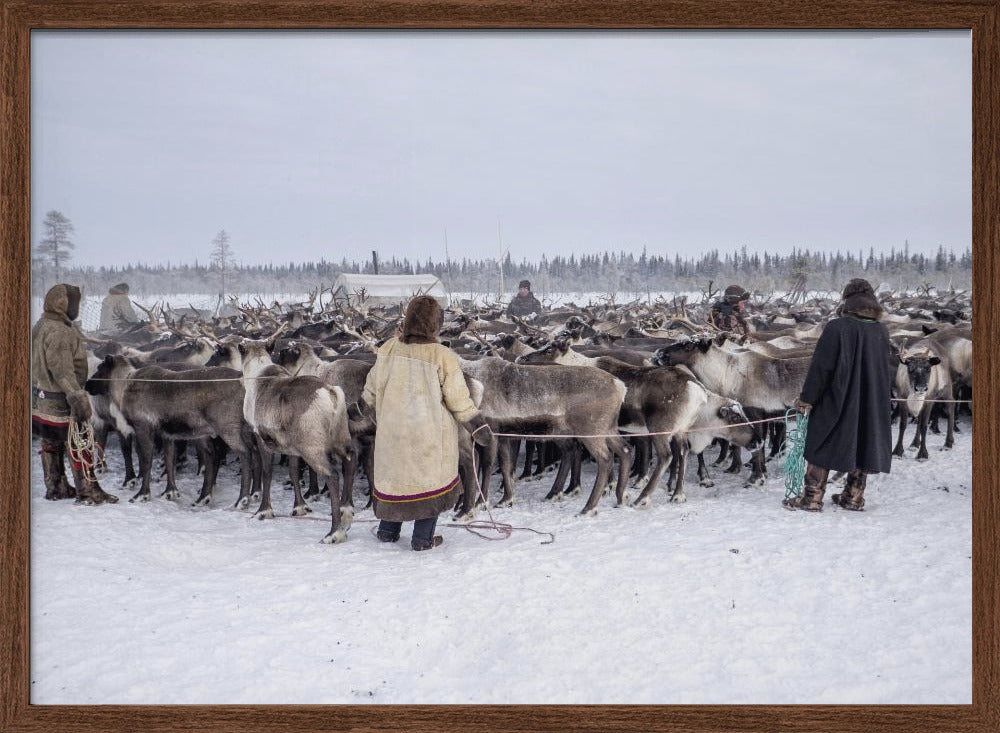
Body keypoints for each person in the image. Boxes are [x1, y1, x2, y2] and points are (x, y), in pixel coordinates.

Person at [360, 295, 492, 551]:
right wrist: (478, 426)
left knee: (395, 478)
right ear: (436, 325)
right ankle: (422, 539)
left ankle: (387, 531)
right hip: (428, 436)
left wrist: (359, 408)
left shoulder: (388, 348)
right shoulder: (441, 355)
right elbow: (458, 400)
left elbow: (371, 388)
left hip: (392, 434)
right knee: (427, 482)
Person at [783, 278, 892, 512]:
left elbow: (821, 368)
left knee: (822, 441)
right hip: (872, 401)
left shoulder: (837, 328)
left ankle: (811, 498)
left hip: (838, 398)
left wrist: (807, 398)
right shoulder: (881, 330)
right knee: (864, 442)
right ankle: (853, 496)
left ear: (847, 300)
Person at [31, 283, 119, 504]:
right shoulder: (60, 331)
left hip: (43, 398)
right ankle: (88, 491)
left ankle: (56, 486)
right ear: (63, 304)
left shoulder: (43, 324)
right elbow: (62, 370)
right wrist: (77, 397)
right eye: (74, 303)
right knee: (80, 443)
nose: (76, 307)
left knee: (51, 442)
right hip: (62, 399)